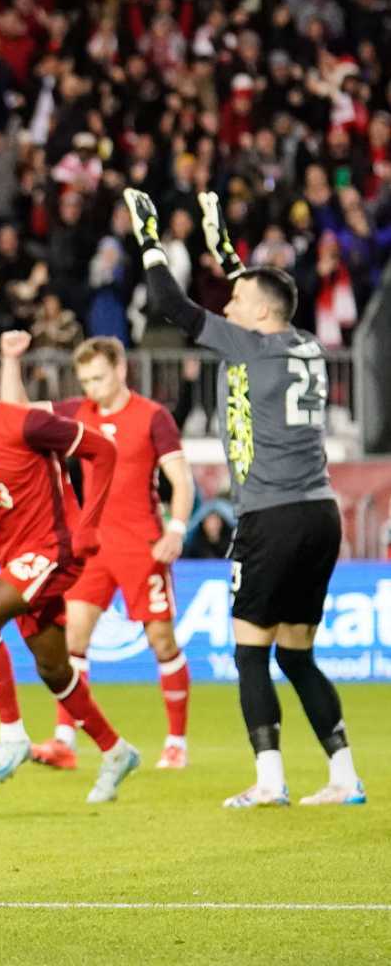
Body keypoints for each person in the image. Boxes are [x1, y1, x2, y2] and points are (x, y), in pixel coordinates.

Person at [127, 187, 364, 808]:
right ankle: (343, 775)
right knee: (297, 655)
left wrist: (151, 242)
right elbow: (264, 295)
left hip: (271, 516)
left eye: (234, 301)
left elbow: (168, 304)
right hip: (320, 514)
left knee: (250, 652)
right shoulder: (304, 345)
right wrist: (228, 253)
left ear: (258, 316)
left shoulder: (249, 344)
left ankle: (269, 781)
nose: (227, 308)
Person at [0, 333, 141, 802]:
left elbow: (102, 451)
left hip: (53, 548)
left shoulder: (27, 424)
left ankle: (11, 734)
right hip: (16, 557)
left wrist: (88, 524)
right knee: (53, 667)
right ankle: (116, 750)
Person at [0, 332, 197, 772]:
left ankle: (176, 741)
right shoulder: (78, 413)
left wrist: (177, 528)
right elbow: (16, 416)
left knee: (161, 641)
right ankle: (65, 741)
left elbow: (182, 481)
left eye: (99, 378)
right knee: (72, 639)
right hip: (93, 546)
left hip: (141, 544)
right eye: (86, 380)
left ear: (121, 370)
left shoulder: (153, 417)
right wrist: (11, 360)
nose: (92, 388)